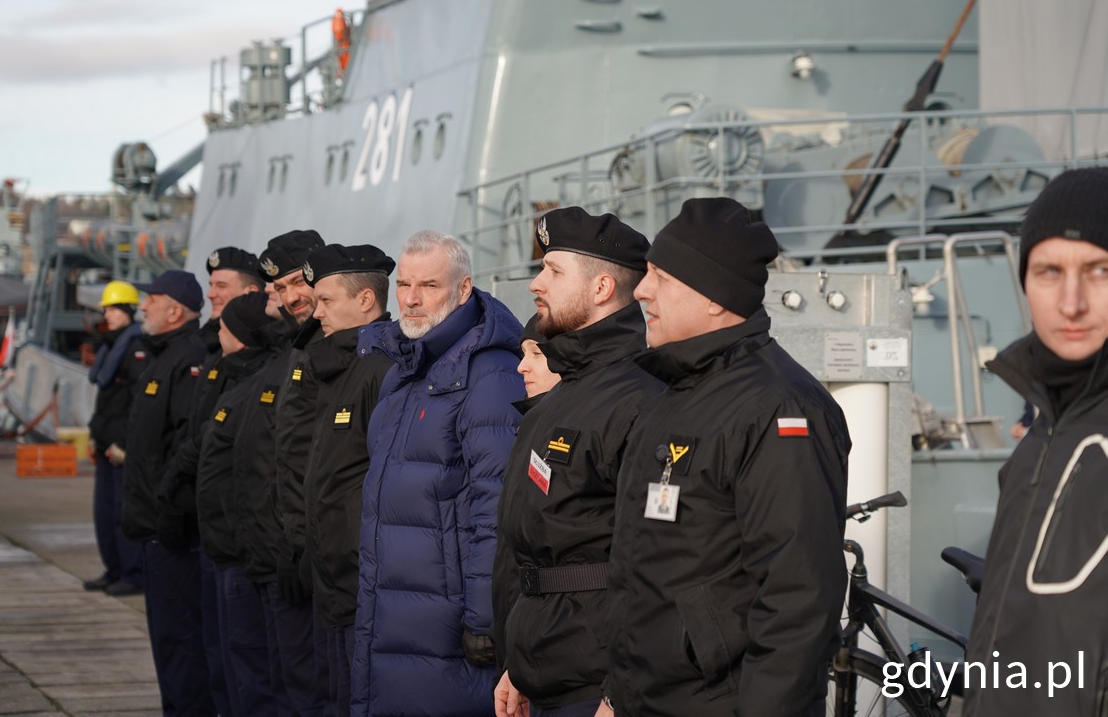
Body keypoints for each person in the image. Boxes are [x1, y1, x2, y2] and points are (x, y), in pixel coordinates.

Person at [595, 198, 851, 717]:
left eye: (660, 277)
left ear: (714, 297)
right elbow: (650, 575)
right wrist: (616, 696)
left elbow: (797, 603)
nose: (641, 290)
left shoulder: (780, 408)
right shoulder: (676, 393)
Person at [493, 208, 663, 717]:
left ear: (602, 287)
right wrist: (518, 664)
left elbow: (658, 564)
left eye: (554, 270)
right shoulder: (571, 391)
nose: (536, 283)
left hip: (597, 688)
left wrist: (619, 690)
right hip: (547, 672)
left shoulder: (638, 395)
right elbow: (544, 551)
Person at [351, 229, 525, 717]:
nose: (410, 299)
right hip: (394, 610)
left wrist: (485, 624)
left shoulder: (490, 374)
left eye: (428, 286)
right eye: (404, 285)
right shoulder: (405, 369)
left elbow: (497, 509)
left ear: (464, 289)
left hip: (446, 626)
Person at [963, 167, 1108, 716]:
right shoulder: (1041, 440)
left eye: (1100, 270)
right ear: (1025, 284)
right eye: (1049, 271)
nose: (1071, 303)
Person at [159, 246, 262, 716]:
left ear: (251, 293)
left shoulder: (253, 361)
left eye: (222, 286)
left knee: (246, 669)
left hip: (234, 538)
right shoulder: (211, 350)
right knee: (215, 656)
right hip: (205, 527)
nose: (212, 293)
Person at [298, 243, 396, 716]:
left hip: (361, 579)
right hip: (332, 574)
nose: (316, 313)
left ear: (364, 301)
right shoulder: (340, 368)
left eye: (325, 300)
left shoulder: (380, 371)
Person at [120, 269, 213, 717]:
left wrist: (167, 511)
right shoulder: (164, 355)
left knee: (182, 644)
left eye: (151, 299)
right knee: (167, 643)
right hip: (153, 527)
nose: (143, 306)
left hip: (172, 531)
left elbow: (184, 448)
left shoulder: (187, 358)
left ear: (175, 310)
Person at [197, 291, 283, 716]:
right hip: (227, 548)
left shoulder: (257, 385)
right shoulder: (238, 380)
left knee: (254, 673)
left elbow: (259, 469)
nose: (218, 333)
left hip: (243, 551)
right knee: (235, 667)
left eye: (225, 327)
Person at [256, 229, 330, 716]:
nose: (290, 297)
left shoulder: (344, 346)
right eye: (280, 289)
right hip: (292, 544)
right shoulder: (299, 348)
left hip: (327, 555)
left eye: (295, 283)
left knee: (320, 689)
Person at [84, 280, 148, 597]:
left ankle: (134, 574)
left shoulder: (136, 348)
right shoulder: (111, 346)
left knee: (123, 513)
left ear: (128, 310)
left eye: (112, 308)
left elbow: (137, 402)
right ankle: (114, 569)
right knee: (104, 514)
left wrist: (123, 442)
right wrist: (94, 436)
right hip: (104, 442)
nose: (106, 314)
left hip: (120, 447)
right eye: (106, 309)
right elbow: (106, 399)